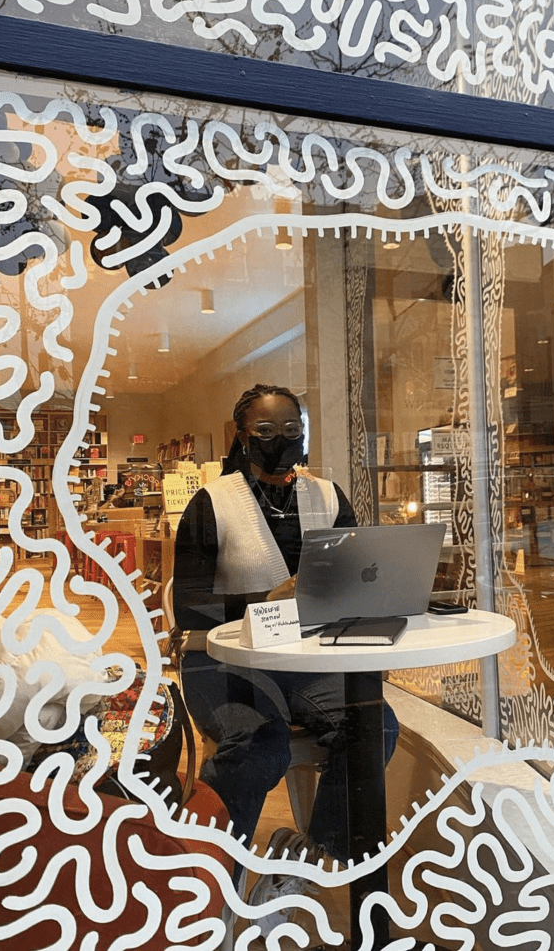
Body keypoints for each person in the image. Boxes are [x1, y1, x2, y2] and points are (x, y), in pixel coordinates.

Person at [173, 384, 398, 910]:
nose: (280, 441)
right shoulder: (211, 503)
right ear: (242, 436)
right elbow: (188, 608)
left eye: (292, 431)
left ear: (305, 435)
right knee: (258, 744)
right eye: (266, 432)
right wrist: (264, 602)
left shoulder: (327, 495)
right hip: (221, 660)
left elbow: (355, 579)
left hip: (304, 659)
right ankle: (210, 881)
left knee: (373, 724)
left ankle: (302, 860)